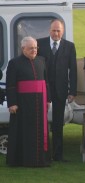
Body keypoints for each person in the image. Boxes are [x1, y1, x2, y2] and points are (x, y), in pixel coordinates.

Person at [6, 36, 51, 167]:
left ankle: (41, 160)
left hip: (40, 103)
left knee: (40, 131)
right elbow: (11, 85)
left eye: (36, 47)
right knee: (24, 131)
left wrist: (48, 99)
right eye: (31, 48)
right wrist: (12, 103)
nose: (34, 50)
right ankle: (23, 160)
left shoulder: (41, 60)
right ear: (23, 49)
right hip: (23, 104)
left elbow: (46, 82)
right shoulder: (14, 63)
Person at [37, 19, 77, 162]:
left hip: (61, 90)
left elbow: (73, 70)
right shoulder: (39, 44)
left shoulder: (69, 46)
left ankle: (58, 155)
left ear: (63, 31)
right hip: (42, 90)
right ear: (49, 30)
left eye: (58, 30)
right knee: (40, 122)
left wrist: (72, 91)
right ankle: (41, 153)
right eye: (53, 30)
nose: (56, 33)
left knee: (58, 123)